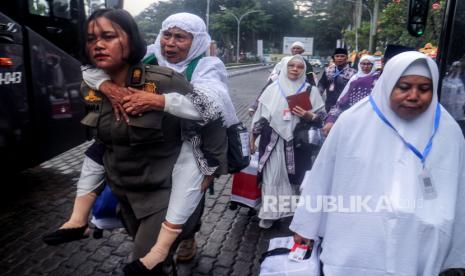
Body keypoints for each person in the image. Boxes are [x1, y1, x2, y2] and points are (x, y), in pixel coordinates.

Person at [43, 9, 232, 275]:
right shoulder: (144, 58)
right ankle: (80, 219)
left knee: (180, 208)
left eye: (181, 38)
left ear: (197, 41)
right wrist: (109, 87)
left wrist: (158, 100)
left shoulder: (203, 67)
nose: (170, 43)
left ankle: (174, 244)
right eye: (167, 35)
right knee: (98, 156)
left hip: (187, 149)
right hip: (138, 164)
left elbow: (212, 107)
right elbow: (91, 69)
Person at [290, 51, 465, 275]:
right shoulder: (353, 122)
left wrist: (455, 250)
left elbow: (459, 191)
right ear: (388, 84)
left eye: (424, 89)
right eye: (404, 87)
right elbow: (323, 175)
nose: (414, 96)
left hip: (419, 244)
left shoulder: (447, 130)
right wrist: (306, 226)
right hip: (357, 239)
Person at [250, 55, 325, 229]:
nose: (295, 69)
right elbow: (260, 116)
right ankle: (269, 213)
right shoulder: (272, 89)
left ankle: (291, 211)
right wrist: (253, 138)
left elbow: (322, 117)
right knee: (272, 176)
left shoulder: (310, 90)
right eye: (291, 65)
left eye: (299, 67)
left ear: (304, 70)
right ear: (284, 67)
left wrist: (310, 115)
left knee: (294, 177)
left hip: (298, 142)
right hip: (272, 141)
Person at [248, 41, 316, 117]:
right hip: (281, 80)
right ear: (291, 50)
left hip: (299, 83)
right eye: (294, 48)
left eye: (298, 48)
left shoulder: (307, 64)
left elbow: (310, 78)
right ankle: (255, 105)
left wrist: (314, 91)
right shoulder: (285, 59)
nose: (296, 50)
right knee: (268, 86)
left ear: (302, 51)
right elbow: (277, 70)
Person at [322, 55, 379, 135]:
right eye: (363, 64)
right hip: (353, 117)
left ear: (373, 65)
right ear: (359, 64)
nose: (365, 66)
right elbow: (344, 100)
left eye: (369, 64)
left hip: (371, 119)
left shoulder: (378, 79)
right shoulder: (355, 79)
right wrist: (331, 119)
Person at [318, 48, 357, 112]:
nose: (339, 58)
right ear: (334, 58)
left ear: (347, 58)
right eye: (337, 56)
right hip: (330, 105)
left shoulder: (353, 72)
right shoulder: (328, 70)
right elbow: (321, 86)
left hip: (346, 106)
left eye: (342, 56)